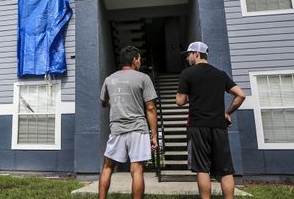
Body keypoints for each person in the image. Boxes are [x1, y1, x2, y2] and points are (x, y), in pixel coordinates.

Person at [175, 41, 246, 199]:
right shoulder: (220, 74)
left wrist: (192, 95)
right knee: (226, 169)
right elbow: (241, 95)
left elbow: (179, 101)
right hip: (219, 126)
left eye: (189, 54)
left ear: (197, 54)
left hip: (198, 126)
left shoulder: (187, 74)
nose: (187, 58)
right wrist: (227, 112)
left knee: (202, 168)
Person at [99, 46, 158, 199]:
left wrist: (115, 101)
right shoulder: (143, 78)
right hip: (138, 129)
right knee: (137, 169)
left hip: (117, 129)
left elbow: (103, 103)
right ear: (134, 60)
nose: (140, 62)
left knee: (107, 167)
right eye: (139, 59)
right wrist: (154, 135)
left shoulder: (109, 79)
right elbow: (150, 108)